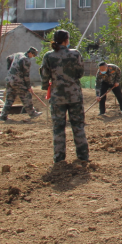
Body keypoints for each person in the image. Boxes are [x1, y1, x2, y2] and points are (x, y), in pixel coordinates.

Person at [39, 30, 89, 163]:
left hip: (57, 97)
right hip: (74, 96)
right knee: (78, 126)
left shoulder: (48, 56)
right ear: (66, 40)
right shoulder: (75, 54)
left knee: (58, 128)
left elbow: (45, 76)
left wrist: (46, 86)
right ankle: (83, 157)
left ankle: (59, 158)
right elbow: (80, 73)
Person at [0, 47, 42, 121]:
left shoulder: (18, 54)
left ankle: (3, 116)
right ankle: (32, 113)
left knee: (9, 98)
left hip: (9, 80)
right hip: (18, 81)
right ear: (30, 53)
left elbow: (8, 58)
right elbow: (26, 75)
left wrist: (9, 70)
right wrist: (28, 87)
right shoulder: (26, 60)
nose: (33, 57)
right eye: (33, 55)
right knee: (26, 96)